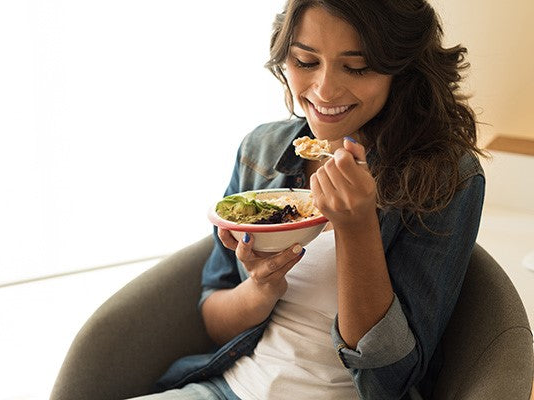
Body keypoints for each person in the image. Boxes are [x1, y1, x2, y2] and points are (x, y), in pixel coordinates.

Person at [135, 0, 485, 399]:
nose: (324, 90)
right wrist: (262, 287)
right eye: (304, 61)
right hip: (225, 387)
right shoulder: (262, 150)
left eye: (356, 66)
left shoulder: (445, 178)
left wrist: (357, 228)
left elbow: (391, 379)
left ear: (400, 67)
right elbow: (214, 317)